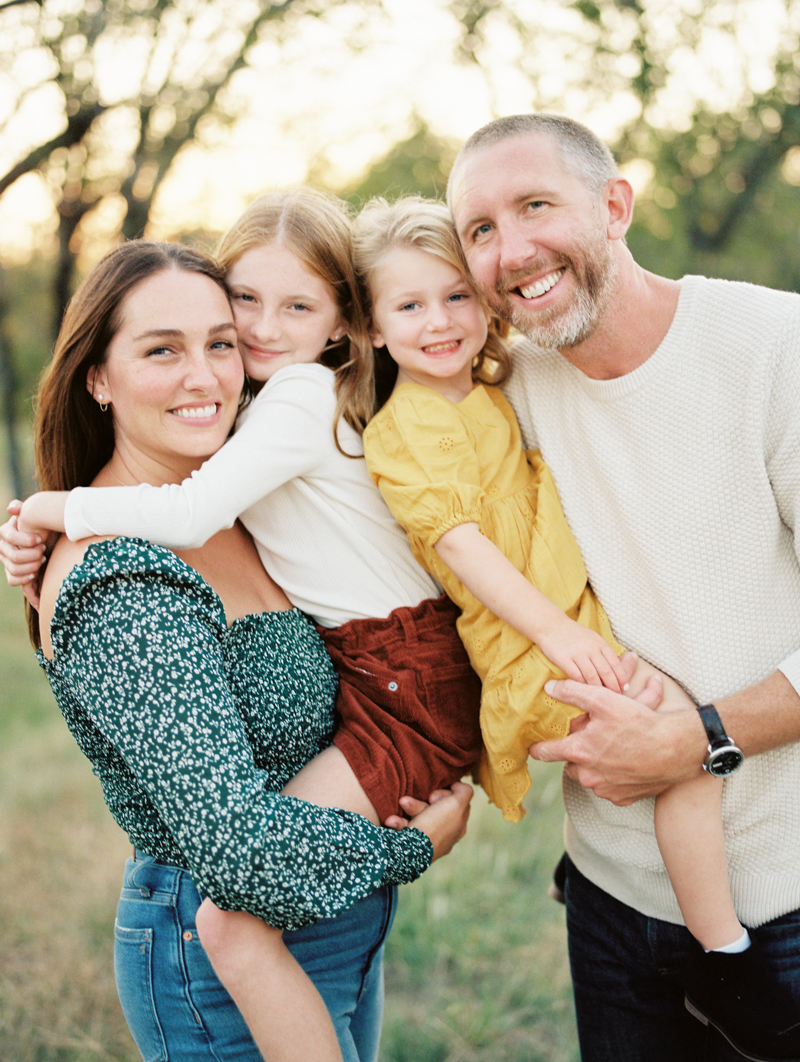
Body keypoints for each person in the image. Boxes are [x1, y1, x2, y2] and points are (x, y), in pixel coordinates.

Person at [2, 238, 472, 1062]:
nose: (205, 376)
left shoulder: (238, 502)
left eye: (221, 343)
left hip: (334, 919)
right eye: (162, 351)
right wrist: (417, 845)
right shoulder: (124, 579)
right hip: (217, 947)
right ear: (97, 378)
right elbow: (237, 846)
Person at [350, 192, 781, 1051]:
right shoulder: (404, 431)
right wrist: (560, 636)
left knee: (676, 726)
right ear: (368, 327)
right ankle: (724, 954)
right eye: (408, 306)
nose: (438, 322)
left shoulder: (492, 390)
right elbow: (466, 551)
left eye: (455, 298)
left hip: (569, 625)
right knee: (682, 743)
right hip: (529, 647)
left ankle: (625, 888)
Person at [446, 112, 800, 1062]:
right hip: (608, 898)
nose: (511, 250)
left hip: (789, 898)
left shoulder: (775, 347)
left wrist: (700, 737)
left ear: (614, 204)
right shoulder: (499, 390)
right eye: (479, 230)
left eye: (534, 206)